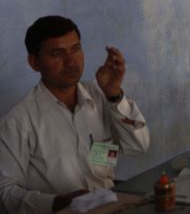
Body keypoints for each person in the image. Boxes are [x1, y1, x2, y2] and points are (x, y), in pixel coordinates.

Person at [0, 16, 150, 214]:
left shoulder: (101, 95)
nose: (71, 62)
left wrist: (114, 95)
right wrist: (56, 202)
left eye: (76, 49)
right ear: (34, 62)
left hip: (109, 207)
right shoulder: (19, 121)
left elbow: (138, 146)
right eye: (57, 53)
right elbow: (4, 192)